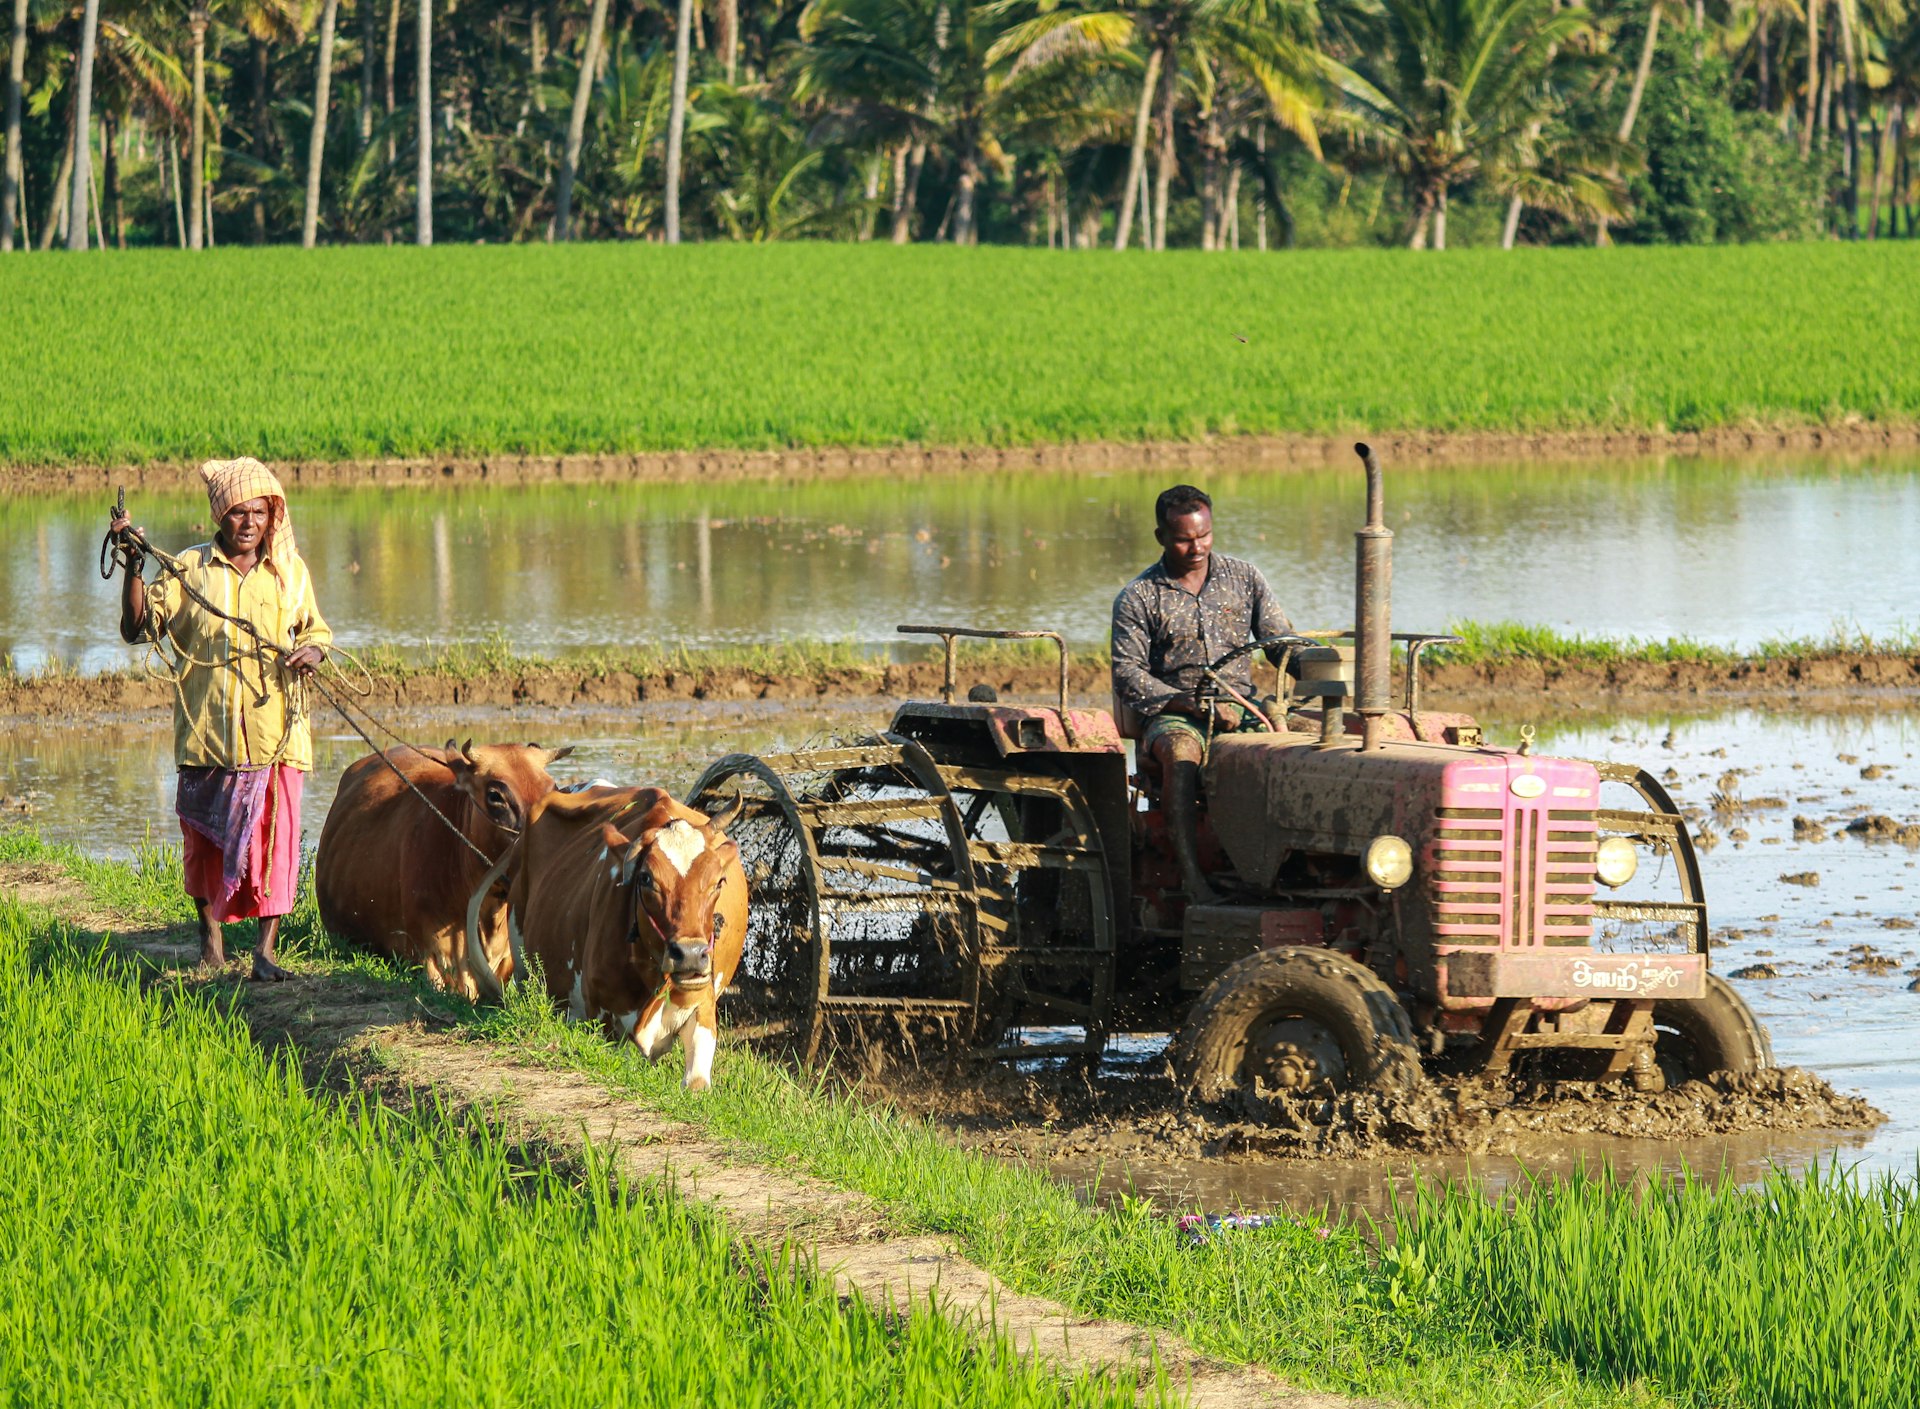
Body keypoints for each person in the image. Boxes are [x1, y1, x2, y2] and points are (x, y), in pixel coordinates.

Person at [109, 459, 332, 981]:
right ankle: (210, 942)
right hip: (208, 738)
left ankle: (265, 952)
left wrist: (313, 653)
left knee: (276, 842)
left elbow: (317, 632)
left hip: (277, 736)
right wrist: (134, 566)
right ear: (220, 515)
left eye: (258, 511)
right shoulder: (188, 569)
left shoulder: (289, 573)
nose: (249, 522)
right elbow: (137, 627)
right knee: (205, 845)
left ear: (271, 516)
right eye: (238, 512)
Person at [1111, 484, 1291, 906]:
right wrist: (1184, 702)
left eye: (1204, 535)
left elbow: (1280, 642)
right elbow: (1127, 673)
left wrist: (1318, 665)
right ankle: (1193, 877)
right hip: (1175, 713)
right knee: (1181, 753)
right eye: (1184, 538)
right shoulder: (1139, 597)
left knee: (1303, 744)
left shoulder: (1244, 578)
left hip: (1243, 706)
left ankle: (1278, 869)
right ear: (1161, 537)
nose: (1197, 547)